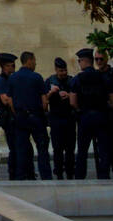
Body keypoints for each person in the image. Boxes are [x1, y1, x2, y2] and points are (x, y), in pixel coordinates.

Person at [9, 51, 52, 180]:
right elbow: (44, 102)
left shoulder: (13, 78)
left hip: (21, 117)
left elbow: (10, 101)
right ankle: (46, 177)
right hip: (36, 117)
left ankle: (21, 178)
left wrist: (17, 113)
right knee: (42, 149)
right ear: (29, 60)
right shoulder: (36, 77)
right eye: (34, 61)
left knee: (21, 150)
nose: (35, 63)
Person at [71, 48, 112, 180]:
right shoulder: (103, 77)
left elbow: (72, 101)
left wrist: (80, 110)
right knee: (104, 150)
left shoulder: (78, 79)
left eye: (79, 61)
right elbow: (111, 99)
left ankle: (80, 176)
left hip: (85, 117)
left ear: (84, 61)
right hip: (101, 116)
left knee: (82, 150)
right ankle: (104, 175)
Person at [44, 57, 76, 180]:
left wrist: (68, 96)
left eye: (65, 70)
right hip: (56, 119)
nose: (63, 73)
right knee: (57, 148)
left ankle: (69, 170)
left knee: (70, 148)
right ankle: (58, 171)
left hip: (69, 118)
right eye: (61, 71)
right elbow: (44, 99)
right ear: (56, 70)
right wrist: (52, 93)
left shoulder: (71, 80)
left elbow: (76, 95)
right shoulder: (50, 81)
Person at [0, 52, 22, 180]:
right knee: (14, 147)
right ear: (5, 66)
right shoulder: (1, 80)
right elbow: (5, 100)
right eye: (11, 66)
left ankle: (19, 171)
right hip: (9, 117)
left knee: (18, 146)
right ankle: (13, 173)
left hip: (13, 117)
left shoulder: (11, 79)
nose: (13, 68)